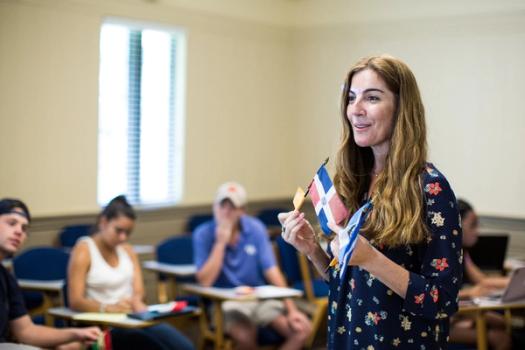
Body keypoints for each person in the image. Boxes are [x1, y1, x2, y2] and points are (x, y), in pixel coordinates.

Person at [279, 54, 463, 349]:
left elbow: (443, 300)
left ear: (402, 108)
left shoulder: (431, 188)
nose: (356, 110)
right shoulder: (355, 183)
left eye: (372, 98)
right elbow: (351, 289)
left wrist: (373, 260)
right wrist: (312, 249)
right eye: (351, 98)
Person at [193, 182, 312, 350]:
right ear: (214, 207)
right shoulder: (203, 233)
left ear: (242, 210)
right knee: (246, 336)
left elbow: (272, 270)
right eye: (222, 205)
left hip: (259, 298)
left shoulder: (255, 228)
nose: (226, 212)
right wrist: (220, 243)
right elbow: (205, 281)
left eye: (232, 207)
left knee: (301, 331)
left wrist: (291, 310)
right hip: (226, 303)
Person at [67, 195, 194, 350]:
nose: (123, 237)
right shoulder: (84, 250)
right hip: (106, 325)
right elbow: (75, 300)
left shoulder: (127, 250)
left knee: (185, 347)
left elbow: (139, 291)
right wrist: (107, 307)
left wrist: (136, 300)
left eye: (128, 232)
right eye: (119, 230)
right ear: (103, 222)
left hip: (134, 317)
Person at [0, 198, 101, 349]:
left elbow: (26, 331)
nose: (19, 231)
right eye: (12, 223)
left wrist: (76, 333)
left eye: (24, 228)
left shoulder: (6, 278)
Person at [449, 198, 511, 350]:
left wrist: (512, 282)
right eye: (473, 225)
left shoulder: (463, 252)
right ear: (457, 225)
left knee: (501, 322)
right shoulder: (445, 254)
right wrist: (470, 292)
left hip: (460, 311)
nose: (477, 231)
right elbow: (438, 292)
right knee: (499, 336)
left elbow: (482, 281)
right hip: (445, 318)